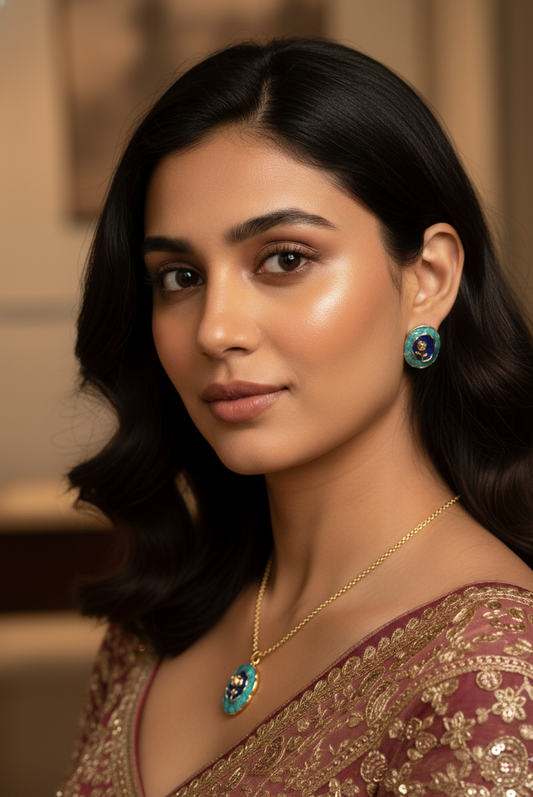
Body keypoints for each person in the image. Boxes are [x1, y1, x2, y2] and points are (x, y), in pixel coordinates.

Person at [59, 38, 533, 797]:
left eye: (284, 259)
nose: (215, 329)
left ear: (428, 280)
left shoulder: (491, 682)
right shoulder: (152, 628)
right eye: (179, 276)